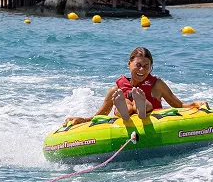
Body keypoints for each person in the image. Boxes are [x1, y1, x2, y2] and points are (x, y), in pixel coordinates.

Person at [63, 47, 205, 127]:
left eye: (146, 66)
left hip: (150, 115)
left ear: (151, 67)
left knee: (140, 103)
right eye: (138, 65)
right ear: (129, 64)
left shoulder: (157, 85)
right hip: (126, 115)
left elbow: (178, 105)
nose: (142, 70)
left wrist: (194, 104)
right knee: (124, 102)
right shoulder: (116, 90)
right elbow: (100, 115)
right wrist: (82, 120)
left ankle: (141, 107)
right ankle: (126, 111)